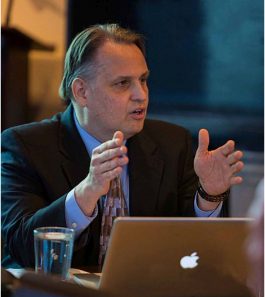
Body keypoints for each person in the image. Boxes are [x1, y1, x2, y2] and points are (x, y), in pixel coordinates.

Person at [1, 24, 244, 270]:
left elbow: (192, 254)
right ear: (82, 91)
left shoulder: (173, 143)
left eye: (143, 80)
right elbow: (22, 250)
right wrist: (86, 193)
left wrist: (209, 196)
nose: (141, 95)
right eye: (122, 83)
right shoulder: (25, 147)